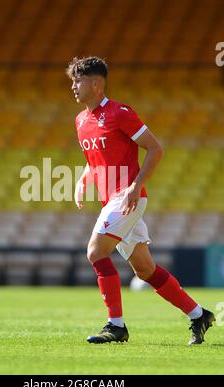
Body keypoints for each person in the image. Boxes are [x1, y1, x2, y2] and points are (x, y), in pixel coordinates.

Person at [66, 56, 215, 345]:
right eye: (72, 80)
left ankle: (116, 326)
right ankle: (199, 314)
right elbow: (94, 159)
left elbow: (155, 149)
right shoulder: (81, 120)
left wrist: (137, 186)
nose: (73, 86)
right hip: (113, 199)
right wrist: (82, 180)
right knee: (145, 270)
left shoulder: (120, 113)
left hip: (127, 197)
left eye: (78, 80)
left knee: (96, 252)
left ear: (96, 84)